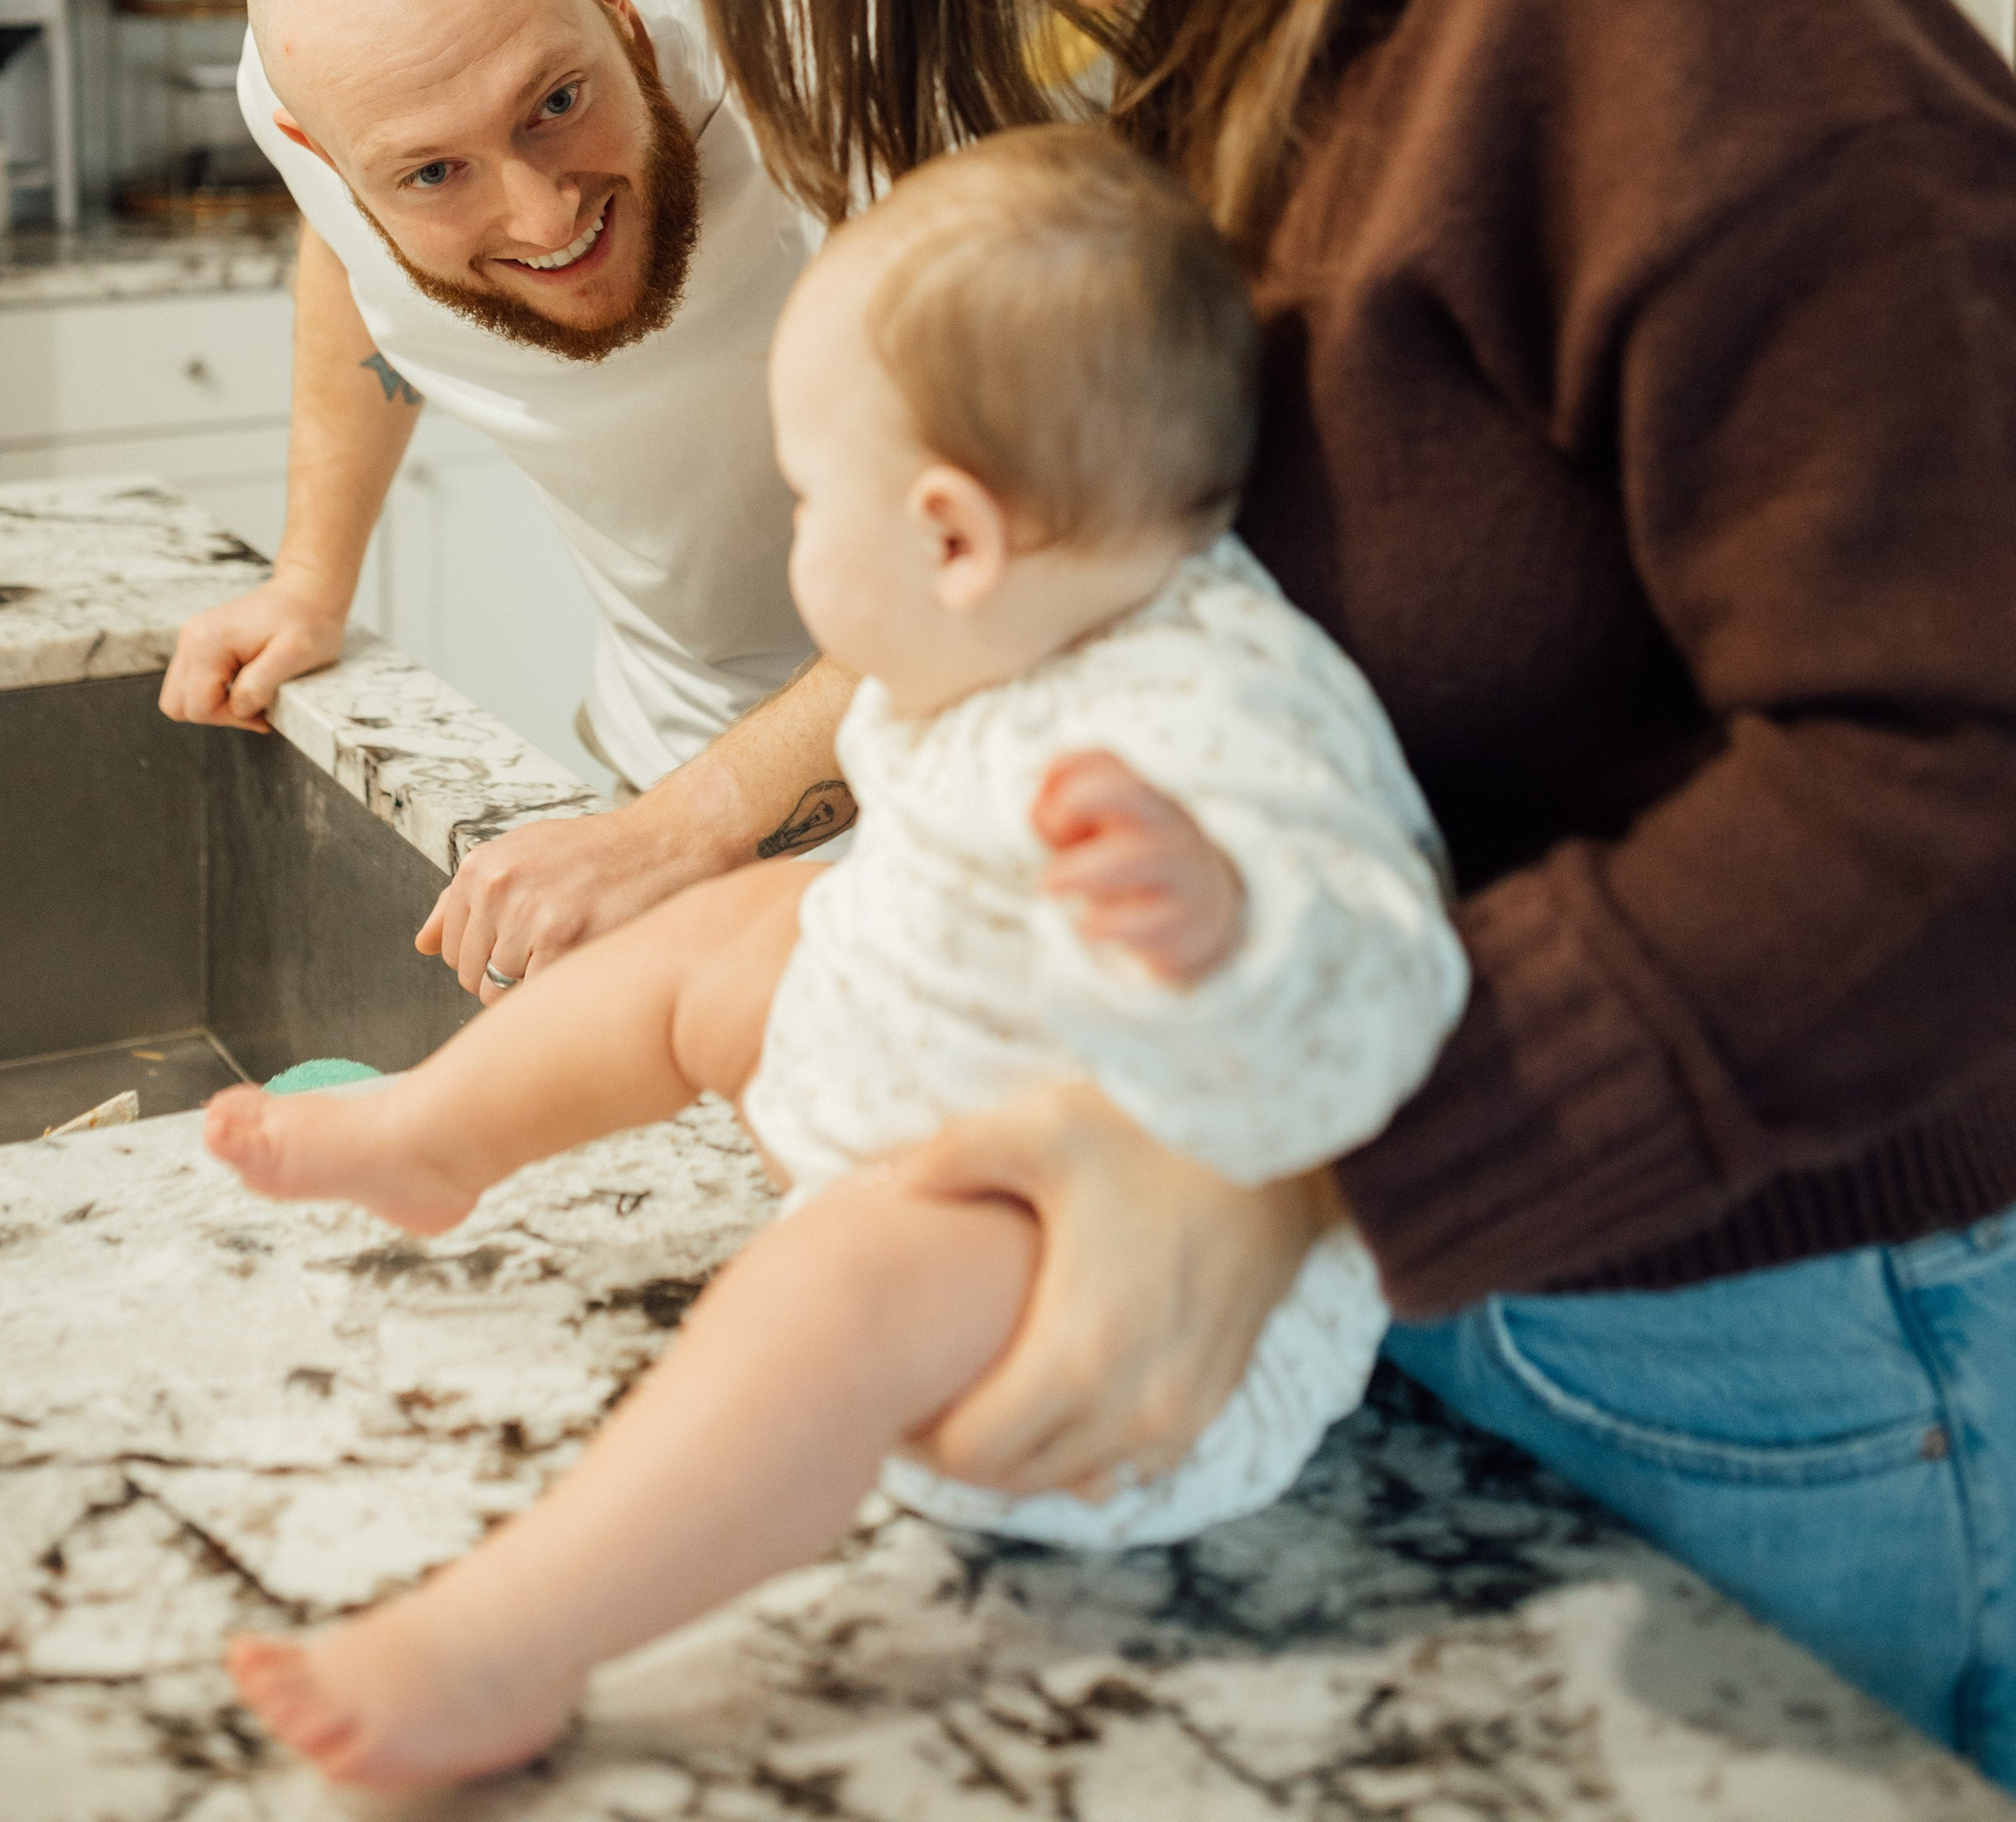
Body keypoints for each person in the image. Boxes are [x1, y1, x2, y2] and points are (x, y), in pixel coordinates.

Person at [665, 0, 2016, 1774]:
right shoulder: (1263, 41)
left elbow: (1948, 772)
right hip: (1477, 1298)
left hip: (1802, 1341)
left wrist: (1324, 1176)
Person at [205, 127, 1467, 1789]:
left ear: (950, 538)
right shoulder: (1032, 609)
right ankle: (438, 1136)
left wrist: (1226, 929)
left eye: (810, 501)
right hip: (935, 1085)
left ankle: (509, 1643)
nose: (799, 545)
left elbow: (1399, 980)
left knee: (830, 1291)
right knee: (718, 937)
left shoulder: (1215, 724)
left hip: (1097, 1302)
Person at [158, 0, 859, 986]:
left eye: (556, 102)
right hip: (666, 782)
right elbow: (348, 259)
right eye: (433, 175)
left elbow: (1025, 564)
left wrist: (668, 842)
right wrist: (309, 576)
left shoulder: (844, 59)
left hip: (975, 809)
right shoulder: (317, 90)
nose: (543, 219)